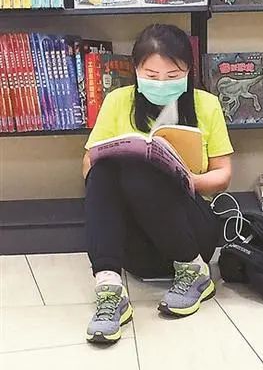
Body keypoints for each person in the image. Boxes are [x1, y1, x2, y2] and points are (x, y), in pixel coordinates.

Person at [83, 24, 233, 344]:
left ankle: (195, 274)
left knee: (142, 174)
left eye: (172, 75)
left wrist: (189, 180)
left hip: (191, 236)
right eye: (151, 75)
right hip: (138, 247)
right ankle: (109, 288)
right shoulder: (118, 101)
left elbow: (223, 174)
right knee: (102, 170)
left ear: (188, 71)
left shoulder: (206, 104)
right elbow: (88, 164)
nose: (161, 83)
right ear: (136, 71)